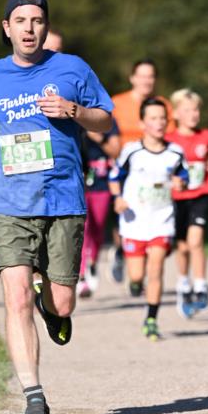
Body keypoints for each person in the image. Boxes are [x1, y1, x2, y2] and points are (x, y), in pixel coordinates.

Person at [0, 0, 113, 414]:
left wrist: (75, 110)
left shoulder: (72, 68)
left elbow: (105, 118)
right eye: (21, 21)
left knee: (63, 303)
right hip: (7, 201)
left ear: (46, 27)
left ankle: (51, 307)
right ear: (6, 28)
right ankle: (33, 396)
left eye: (37, 21)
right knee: (14, 299)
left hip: (63, 199)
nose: (30, 28)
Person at [109, 97, 187, 341]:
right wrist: (118, 199)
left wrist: (180, 183)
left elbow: (183, 177)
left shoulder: (175, 153)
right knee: (137, 275)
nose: (159, 123)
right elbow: (114, 177)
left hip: (162, 220)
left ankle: (151, 319)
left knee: (156, 269)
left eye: (162, 118)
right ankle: (132, 278)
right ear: (142, 123)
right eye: (153, 118)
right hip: (134, 221)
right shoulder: (132, 151)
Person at [169, 88, 208, 317]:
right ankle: (183, 283)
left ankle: (200, 285)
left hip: (202, 194)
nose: (193, 114)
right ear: (176, 114)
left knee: (196, 239)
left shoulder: (207, 136)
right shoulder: (169, 140)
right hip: (177, 198)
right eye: (188, 110)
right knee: (182, 246)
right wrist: (172, 179)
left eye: (196, 110)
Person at [77, 119, 121, 297]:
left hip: (101, 183)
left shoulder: (107, 120)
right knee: (84, 228)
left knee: (98, 227)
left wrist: (99, 138)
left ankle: (92, 263)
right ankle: (81, 276)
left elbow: (116, 151)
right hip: (80, 183)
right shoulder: (72, 118)